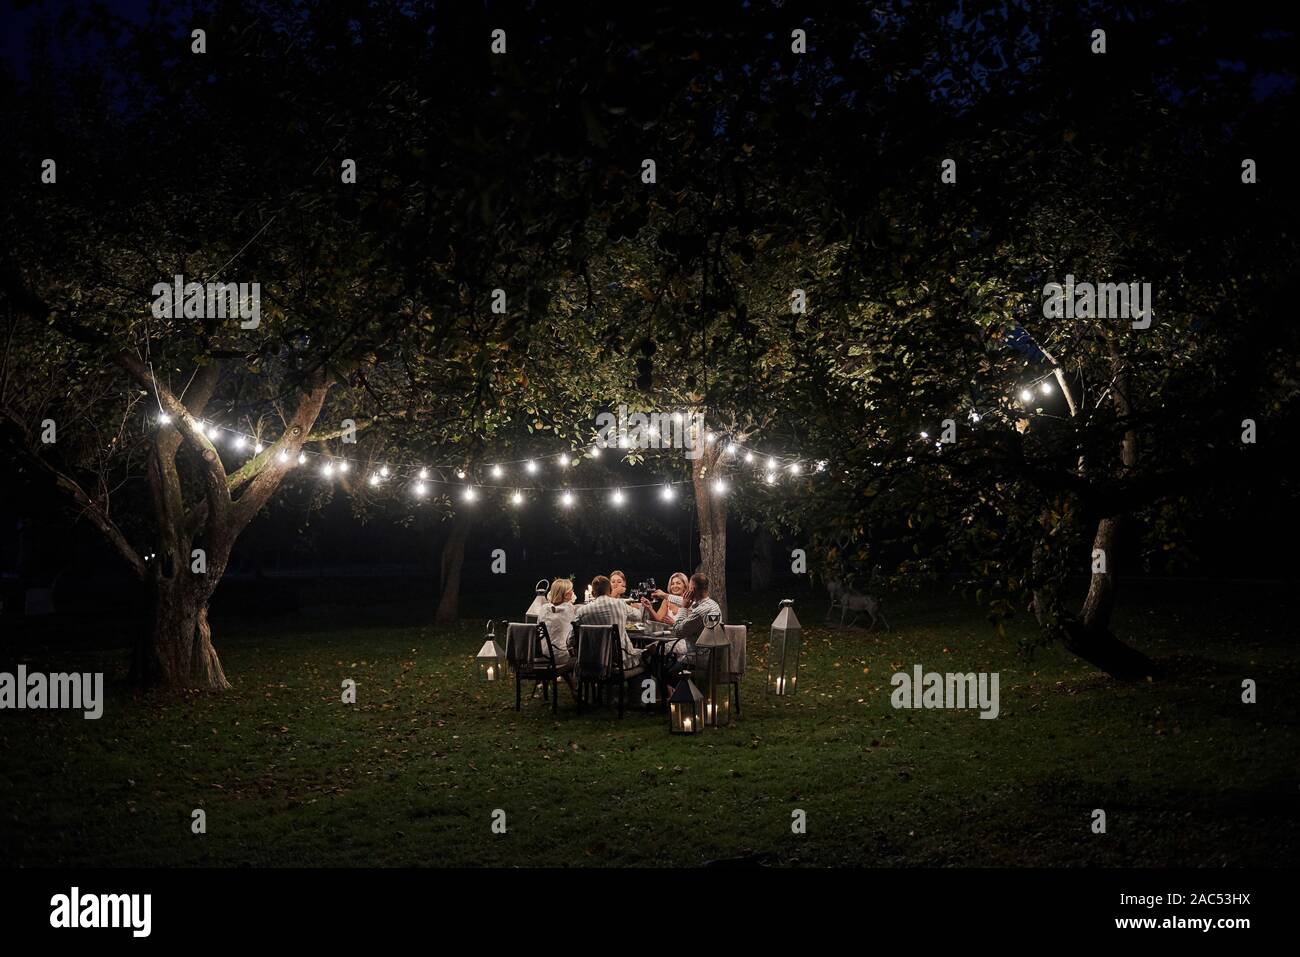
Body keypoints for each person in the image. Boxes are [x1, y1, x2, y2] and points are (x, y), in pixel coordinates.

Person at [574, 575, 642, 669]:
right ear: (610, 590)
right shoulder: (620, 604)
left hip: (593, 664)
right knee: (645, 660)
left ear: (593, 594)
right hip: (619, 662)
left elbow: (571, 640)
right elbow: (638, 616)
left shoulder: (582, 611)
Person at [535, 579, 577, 666]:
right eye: (571, 590)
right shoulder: (569, 609)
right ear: (566, 595)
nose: (573, 592)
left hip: (542, 655)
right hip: (559, 657)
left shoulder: (543, 608)